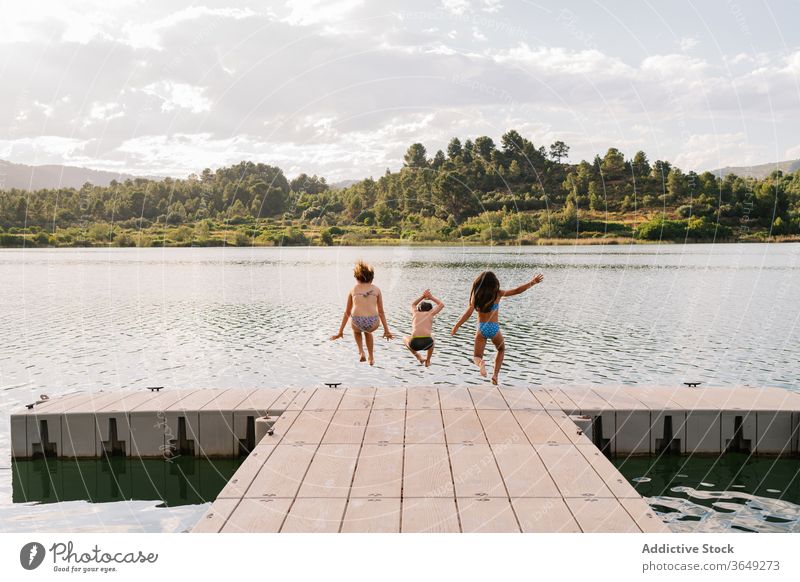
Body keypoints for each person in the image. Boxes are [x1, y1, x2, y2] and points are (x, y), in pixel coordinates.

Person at [451, 271, 544, 384]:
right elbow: (517, 290)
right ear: (494, 283)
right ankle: (495, 375)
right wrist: (532, 282)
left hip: (481, 329)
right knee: (501, 349)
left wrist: (457, 325)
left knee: (477, 356)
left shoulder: (476, 296)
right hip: (494, 328)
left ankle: (481, 364)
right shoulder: (497, 294)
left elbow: (469, 312)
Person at [331, 260, 393, 365]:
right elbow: (381, 312)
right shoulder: (377, 290)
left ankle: (361, 351)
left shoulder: (353, 289)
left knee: (357, 331)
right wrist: (386, 330)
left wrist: (340, 331)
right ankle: (371, 357)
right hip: (372, 322)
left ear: (357, 278)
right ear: (372, 278)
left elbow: (347, 312)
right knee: (368, 332)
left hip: (357, 321)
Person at [404, 289, 444, 367]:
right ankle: (428, 360)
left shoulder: (415, 313)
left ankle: (418, 356)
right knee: (432, 336)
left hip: (414, 344)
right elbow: (441, 305)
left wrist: (423, 296)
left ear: (419, 309)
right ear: (430, 309)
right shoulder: (431, 313)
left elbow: (413, 304)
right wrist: (430, 297)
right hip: (428, 343)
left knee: (404, 338)